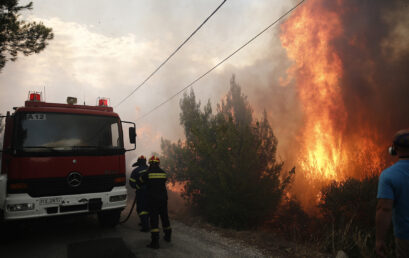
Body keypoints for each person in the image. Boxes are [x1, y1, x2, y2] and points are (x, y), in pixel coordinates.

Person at [376, 129, 409, 258]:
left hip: (405, 237)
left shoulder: (388, 175)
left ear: (394, 149)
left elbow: (384, 209)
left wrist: (380, 240)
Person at [140, 155, 171, 249]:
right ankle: (168, 236)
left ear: (150, 164)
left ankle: (155, 242)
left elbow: (140, 181)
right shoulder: (163, 173)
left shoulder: (147, 173)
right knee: (164, 217)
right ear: (158, 164)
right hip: (163, 199)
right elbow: (164, 181)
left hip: (153, 199)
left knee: (154, 220)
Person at [129, 155, 150, 232]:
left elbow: (131, 183)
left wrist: (138, 187)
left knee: (141, 209)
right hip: (151, 192)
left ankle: (145, 227)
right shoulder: (149, 169)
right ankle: (145, 222)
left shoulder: (135, 171)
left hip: (141, 193)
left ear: (138, 162)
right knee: (148, 208)